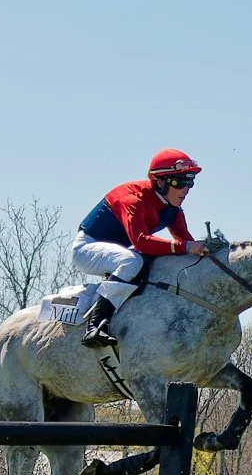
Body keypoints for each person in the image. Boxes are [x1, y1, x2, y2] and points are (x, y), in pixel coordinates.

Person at [72, 149, 210, 348]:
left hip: (121, 250)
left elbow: (185, 244)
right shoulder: (133, 199)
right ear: (160, 181)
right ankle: (95, 325)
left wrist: (205, 251)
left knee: (159, 260)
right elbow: (142, 242)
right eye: (179, 182)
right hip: (87, 249)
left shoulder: (173, 209)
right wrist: (188, 247)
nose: (186, 189)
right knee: (132, 260)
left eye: (189, 182)